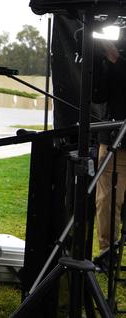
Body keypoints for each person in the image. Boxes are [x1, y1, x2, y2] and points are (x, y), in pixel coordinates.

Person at [93, 39, 126, 266]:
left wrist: (117, 61)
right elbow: (98, 95)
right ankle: (108, 254)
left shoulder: (118, 58)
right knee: (108, 200)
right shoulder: (114, 46)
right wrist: (102, 60)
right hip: (116, 140)